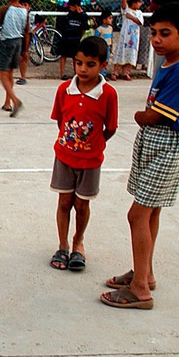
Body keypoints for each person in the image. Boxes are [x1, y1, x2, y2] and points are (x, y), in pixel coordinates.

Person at [101, 3, 179, 310]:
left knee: (137, 214)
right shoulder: (169, 63)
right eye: (154, 33)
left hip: (167, 143)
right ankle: (144, 272)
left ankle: (140, 289)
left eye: (165, 34)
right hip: (156, 144)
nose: (157, 40)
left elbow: (157, 116)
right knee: (151, 212)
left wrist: (139, 115)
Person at [49, 36, 118, 273]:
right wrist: (72, 143)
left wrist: (92, 145)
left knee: (81, 204)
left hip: (90, 161)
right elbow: (60, 121)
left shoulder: (108, 94)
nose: (83, 69)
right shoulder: (64, 90)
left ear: (103, 65)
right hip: (64, 157)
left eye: (90, 64)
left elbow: (111, 128)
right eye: (79, 63)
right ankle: (62, 245)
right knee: (64, 202)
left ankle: (79, 242)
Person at [110, 0, 144, 81]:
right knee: (121, 52)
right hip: (125, 36)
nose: (140, 4)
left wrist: (131, 17)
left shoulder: (139, 13)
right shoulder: (126, 10)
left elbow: (139, 22)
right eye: (139, 2)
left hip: (133, 37)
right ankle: (115, 72)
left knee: (131, 54)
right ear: (133, 2)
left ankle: (126, 73)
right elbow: (124, 0)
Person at [55, 0, 88, 80]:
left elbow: (84, 28)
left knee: (75, 57)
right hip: (66, 37)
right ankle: (62, 74)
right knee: (64, 55)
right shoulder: (69, 14)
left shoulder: (83, 16)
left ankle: (76, 73)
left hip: (75, 38)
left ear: (76, 6)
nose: (70, 8)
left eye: (71, 6)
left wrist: (80, 37)